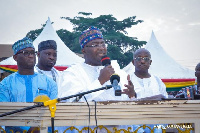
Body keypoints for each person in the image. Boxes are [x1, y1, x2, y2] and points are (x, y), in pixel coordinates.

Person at [58, 26, 135, 132]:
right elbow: (71, 103)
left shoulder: (119, 72)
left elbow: (129, 108)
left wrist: (132, 96)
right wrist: (100, 81)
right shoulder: (73, 73)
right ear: (84, 50)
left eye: (103, 43)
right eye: (95, 45)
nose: (101, 48)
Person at [0, 37, 58, 133]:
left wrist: (38, 127)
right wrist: (28, 129)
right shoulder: (5, 84)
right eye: (26, 53)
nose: (31, 56)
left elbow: (53, 110)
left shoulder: (49, 83)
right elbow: (4, 111)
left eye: (32, 52)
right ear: (15, 57)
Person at [130, 48, 168, 133]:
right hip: (135, 121)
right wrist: (155, 98)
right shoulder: (127, 79)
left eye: (146, 59)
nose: (142, 61)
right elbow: (126, 103)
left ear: (150, 62)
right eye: (139, 58)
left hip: (157, 120)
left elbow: (164, 101)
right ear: (133, 62)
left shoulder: (157, 80)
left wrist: (138, 100)